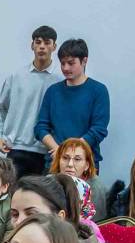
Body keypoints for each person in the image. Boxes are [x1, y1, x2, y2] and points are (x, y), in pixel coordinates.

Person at [0, 24, 58, 177]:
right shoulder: (16, 76)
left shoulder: (60, 79)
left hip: (46, 152)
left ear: (54, 47)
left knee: (40, 192)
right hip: (16, 148)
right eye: (38, 42)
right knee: (12, 191)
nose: (42, 46)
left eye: (47, 42)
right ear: (32, 45)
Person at [33, 37, 110, 167]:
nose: (66, 68)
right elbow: (40, 128)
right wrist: (59, 151)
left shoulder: (98, 91)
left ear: (84, 61)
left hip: (85, 164)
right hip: (55, 162)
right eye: (62, 63)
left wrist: (70, 153)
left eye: (71, 63)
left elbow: (98, 129)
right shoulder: (53, 91)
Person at [49, 136, 99, 222]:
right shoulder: (47, 183)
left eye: (77, 159)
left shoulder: (95, 187)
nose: (70, 164)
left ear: (87, 165)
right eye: (65, 158)